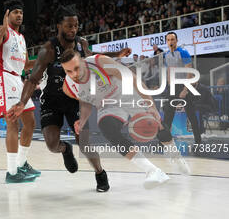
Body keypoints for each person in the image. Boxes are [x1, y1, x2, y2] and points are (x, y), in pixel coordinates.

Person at [8, 6, 130, 192]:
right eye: (69, 26)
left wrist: (116, 55)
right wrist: (22, 103)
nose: (73, 29)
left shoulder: (81, 44)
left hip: (75, 99)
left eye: (76, 26)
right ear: (59, 26)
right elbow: (33, 79)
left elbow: (93, 57)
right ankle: (65, 149)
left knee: (85, 141)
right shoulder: (48, 50)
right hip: (52, 100)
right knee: (51, 144)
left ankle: (100, 173)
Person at [60, 49, 191, 189]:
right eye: (68, 71)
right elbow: (85, 102)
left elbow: (133, 78)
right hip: (107, 106)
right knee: (108, 129)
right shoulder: (68, 88)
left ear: (83, 61)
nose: (74, 74)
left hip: (127, 94)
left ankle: (176, 156)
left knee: (155, 123)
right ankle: (153, 171)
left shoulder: (100, 62)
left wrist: (151, 105)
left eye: (76, 68)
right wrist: (83, 119)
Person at [0, 0, 40, 183]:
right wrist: (2, 27)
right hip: (3, 76)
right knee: (13, 123)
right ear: (7, 15)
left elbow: (24, 65)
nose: (19, 15)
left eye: (21, 13)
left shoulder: (21, 38)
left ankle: (22, 163)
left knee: (30, 122)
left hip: (17, 78)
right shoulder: (2, 31)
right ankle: (12, 172)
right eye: (15, 12)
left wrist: (43, 61)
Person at [163, 32, 202, 144]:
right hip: (172, 87)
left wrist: (185, 89)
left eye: (173, 39)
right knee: (168, 115)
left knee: (191, 114)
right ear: (167, 41)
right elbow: (169, 70)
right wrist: (169, 84)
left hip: (184, 85)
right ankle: (164, 141)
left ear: (176, 41)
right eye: (168, 39)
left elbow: (189, 71)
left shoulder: (183, 52)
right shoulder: (166, 55)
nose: (171, 42)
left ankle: (198, 141)